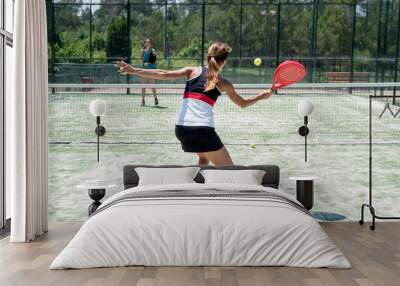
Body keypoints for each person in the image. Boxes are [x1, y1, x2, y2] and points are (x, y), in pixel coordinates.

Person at [116, 41, 272, 166]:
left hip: (182, 130)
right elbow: (243, 104)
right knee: (229, 172)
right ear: (224, 62)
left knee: (204, 160)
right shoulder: (224, 83)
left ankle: (194, 192)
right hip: (202, 131)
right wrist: (261, 96)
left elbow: (163, 73)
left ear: (207, 56)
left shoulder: (192, 71)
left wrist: (134, 70)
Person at [140, 38, 159, 106]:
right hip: (144, 71)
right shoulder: (142, 51)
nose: (147, 43)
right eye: (146, 42)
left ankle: (155, 98)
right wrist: (144, 63)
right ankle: (142, 100)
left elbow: (155, 60)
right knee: (143, 86)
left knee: (152, 86)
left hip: (151, 71)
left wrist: (152, 61)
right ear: (144, 44)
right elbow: (141, 59)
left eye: (149, 42)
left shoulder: (153, 50)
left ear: (150, 44)